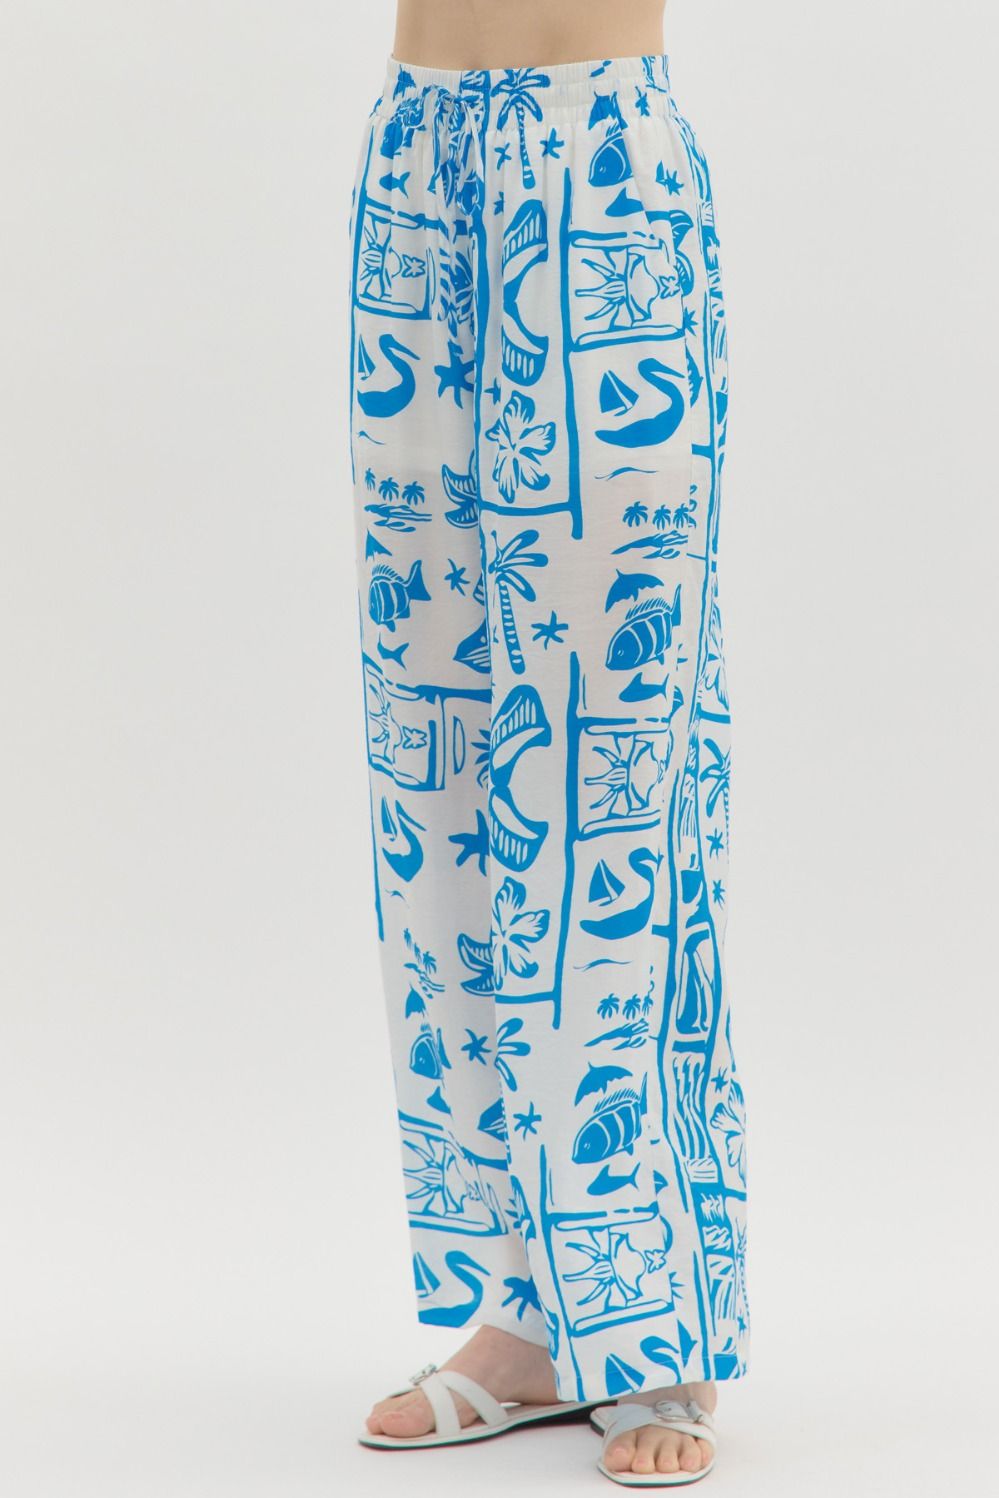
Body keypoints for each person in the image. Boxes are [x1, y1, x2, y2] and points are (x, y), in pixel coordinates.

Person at [345, 0, 748, 1484]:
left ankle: (651, 1315)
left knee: (610, 766)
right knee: (437, 752)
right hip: (414, 160)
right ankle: (524, 1307)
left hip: (601, 164)